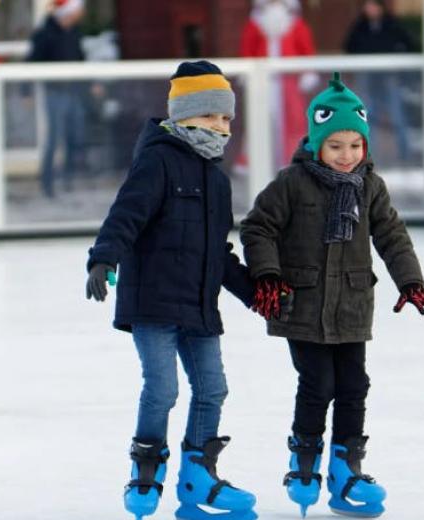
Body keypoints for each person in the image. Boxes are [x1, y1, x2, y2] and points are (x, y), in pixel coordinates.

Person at [240, 73, 424, 518]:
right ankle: (305, 460)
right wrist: (269, 275)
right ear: (316, 143)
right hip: (303, 304)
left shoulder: (370, 186)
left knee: (354, 385)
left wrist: (410, 281)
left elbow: (392, 235)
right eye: (336, 146)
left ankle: (346, 467)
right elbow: (258, 227)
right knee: (318, 384)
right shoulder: (292, 182)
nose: (346, 155)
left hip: (352, 304)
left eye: (355, 145)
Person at [85, 61, 258, 520]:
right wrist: (104, 258)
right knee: (162, 388)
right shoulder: (157, 160)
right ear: (182, 116)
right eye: (209, 117)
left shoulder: (217, 180)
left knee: (213, 389)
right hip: (154, 302)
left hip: (199, 304)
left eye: (225, 119)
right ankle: (146, 469)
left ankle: (198, 475)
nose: (220, 128)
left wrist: (255, 293)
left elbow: (219, 253)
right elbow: (126, 214)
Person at [239, 0, 318, 166]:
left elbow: (306, 48)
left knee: (293, 119)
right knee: (260, 117)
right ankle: (256, 161)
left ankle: (293, 157)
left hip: (289, 79)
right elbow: (247, 49)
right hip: (263, 80)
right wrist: (248, 72)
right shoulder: (255, 24)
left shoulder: (296, 24)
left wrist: (308, 72)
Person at [344, 0, 417, 163]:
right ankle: (369, 155)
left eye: (373, 6)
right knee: (367, 117)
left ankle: (405, 154)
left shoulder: (392, 25)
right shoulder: (360, 27)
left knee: (398, 116)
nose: (370, 9)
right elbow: (349, 47)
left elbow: (409, 45)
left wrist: (398, 66)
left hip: (389, 79)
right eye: (367, 6)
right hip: (368, 80)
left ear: (380, 7)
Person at [27, 0, 86, 198]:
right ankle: (47, 182)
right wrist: (26, 91)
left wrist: (91, 83)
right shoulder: (44, 34)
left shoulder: (75, 33)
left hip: (74, 91)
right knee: (54, 138)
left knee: (75, 135)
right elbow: (31, 62)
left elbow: (81, 59)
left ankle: (68, 179)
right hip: (55, 92)